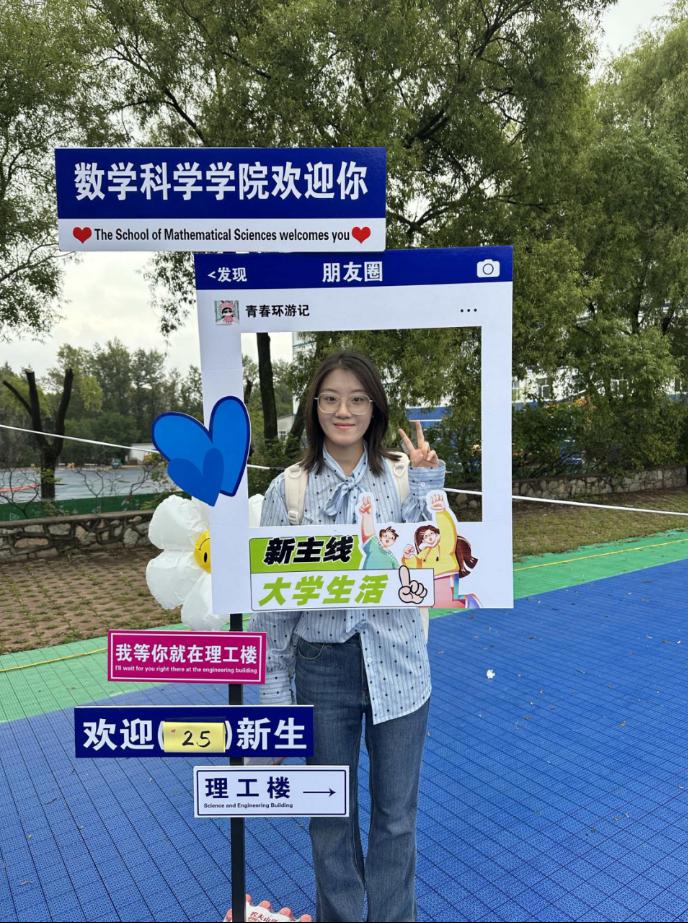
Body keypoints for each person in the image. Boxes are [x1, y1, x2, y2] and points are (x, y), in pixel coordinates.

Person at [249, 351, 446, 923]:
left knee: (396, 819)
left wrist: (429, 480)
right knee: (329, 818)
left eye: (358, 399)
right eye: (331, 398)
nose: (344, 411)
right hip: (321, 670)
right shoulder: (288, 491)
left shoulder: (402, 477)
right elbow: (273, 605)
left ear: (374, 408)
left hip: (399, 667)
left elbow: (436, 558)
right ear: (314, 407)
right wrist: (274, 698)